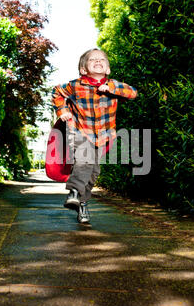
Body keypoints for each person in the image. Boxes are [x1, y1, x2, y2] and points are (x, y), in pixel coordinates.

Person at [52, 48, 137, 224]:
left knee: (93, 172)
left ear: (108, 69)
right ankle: (74, 192)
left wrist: (111, 88)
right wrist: (63, 110)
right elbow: (58, 92)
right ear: (83, 69)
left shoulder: (114, 85)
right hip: (80, 131)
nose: (98, 61)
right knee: (84, 160)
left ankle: (82, 204)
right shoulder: (75, 85)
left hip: (104, 136)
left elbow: (132, 92)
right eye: (92, 60)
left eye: (102, 60)